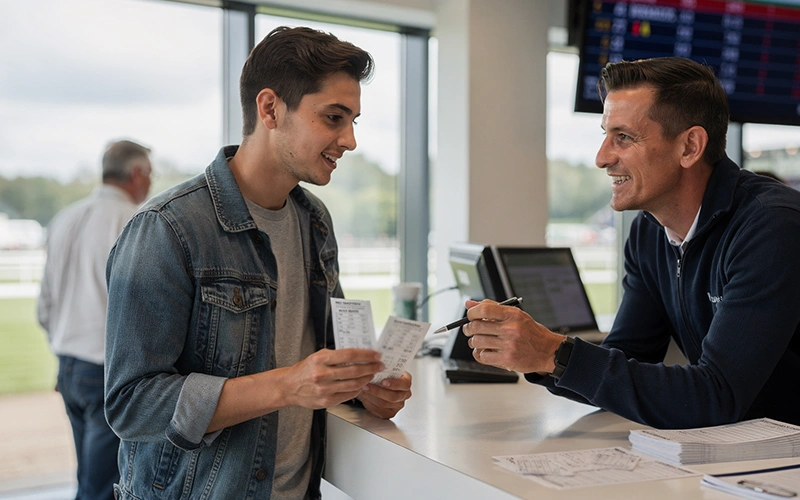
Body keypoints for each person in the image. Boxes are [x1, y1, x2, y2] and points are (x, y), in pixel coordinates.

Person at [104, 26, 412, 499]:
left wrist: (360, 387)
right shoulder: (168, 227)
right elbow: (132, 405)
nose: (349, 140)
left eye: (353, 121)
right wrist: (288, 385)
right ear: (270, 108)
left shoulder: (315, 220)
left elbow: (317, 359)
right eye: (333, 117)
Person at [462, 56, 800, 429]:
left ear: (690, 146)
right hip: (750, 457)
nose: (602, 158)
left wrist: (553, 352)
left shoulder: (772, 226)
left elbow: (716, 396)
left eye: (623, 137)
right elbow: (625, 357)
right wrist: (539, 356)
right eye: (605, 135)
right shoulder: (649, 231)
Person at [37, 139, 153, 500]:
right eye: (150, 174)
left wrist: (66, 355)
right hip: (106, 371)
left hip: (68, 365)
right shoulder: (133, 221)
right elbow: (144, 309)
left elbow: (45, 306)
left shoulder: (65, 217)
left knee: (89, 478)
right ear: (136, 174)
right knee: (102, 487)